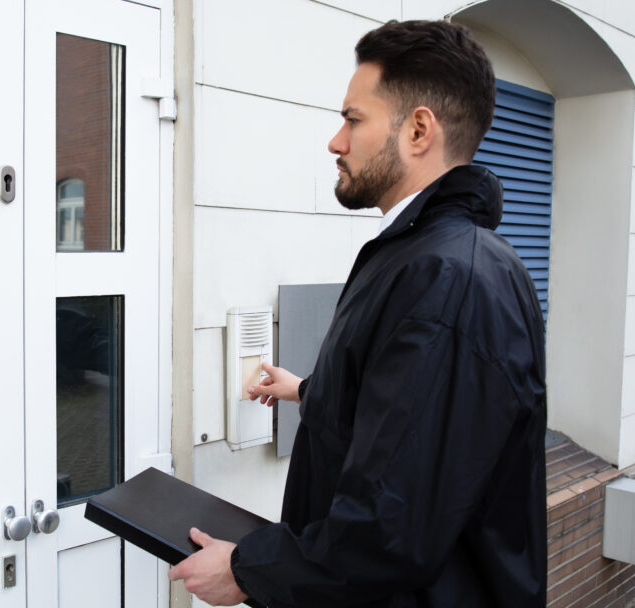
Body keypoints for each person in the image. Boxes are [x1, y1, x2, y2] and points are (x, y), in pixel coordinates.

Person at [168, 20, 547, 607]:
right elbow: (404, 413)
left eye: (353, 119)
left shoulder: (449, 278)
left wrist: (247, 570)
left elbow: (391, 527)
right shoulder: (424, 256)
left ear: (418, 129)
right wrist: (308, 391)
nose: (335, 141)